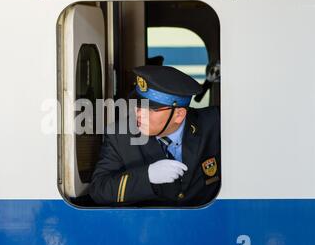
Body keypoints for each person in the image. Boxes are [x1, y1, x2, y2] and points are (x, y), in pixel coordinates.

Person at [89, 65, 220, 207]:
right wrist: (147, 176)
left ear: (179, 114)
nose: (138, 113)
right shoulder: (120, 135)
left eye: (150, 109)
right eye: (138, 104)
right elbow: (98, 189)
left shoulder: (215, 123)